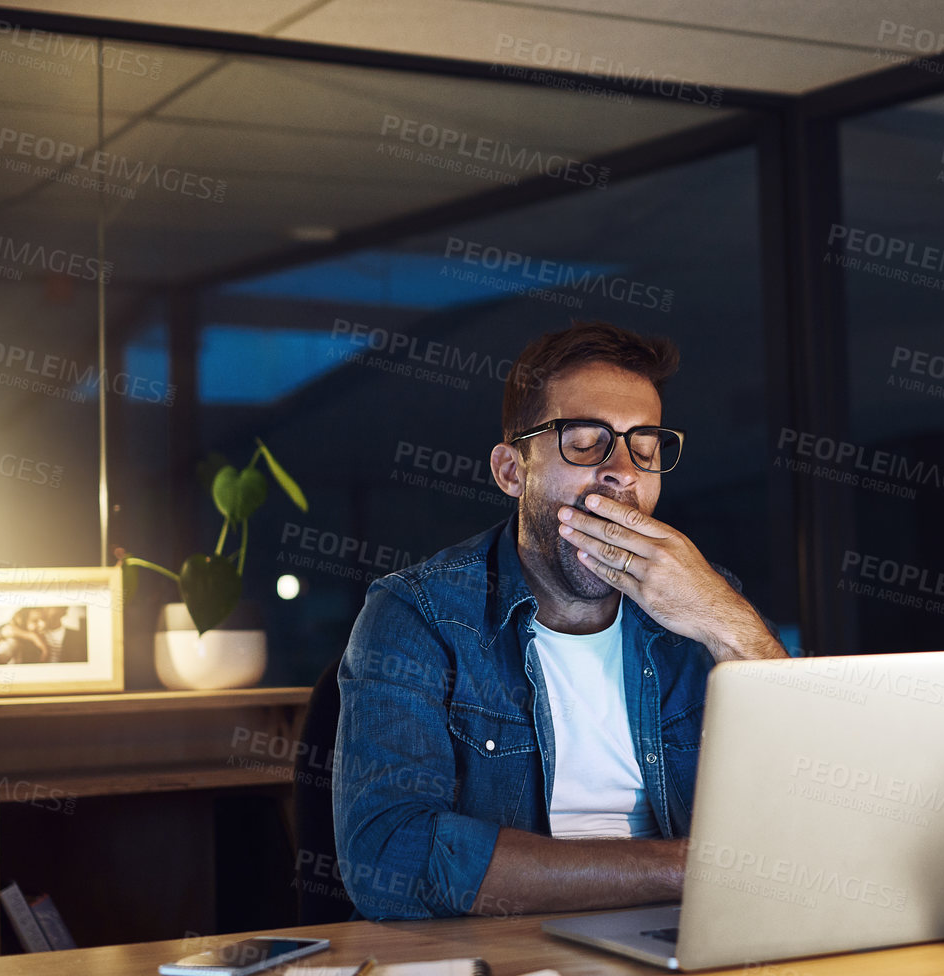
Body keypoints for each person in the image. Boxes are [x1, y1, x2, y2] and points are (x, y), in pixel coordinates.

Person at [333, 321, 788, 920]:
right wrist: (688, 869)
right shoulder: (418, 614)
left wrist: (729, 624)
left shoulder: (706, 605)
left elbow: (815, 812)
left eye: (644, 447)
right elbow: (391, 861)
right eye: (584, 442)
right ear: (511, 471)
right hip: (508, 955)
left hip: (691, 942)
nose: (621, 470)